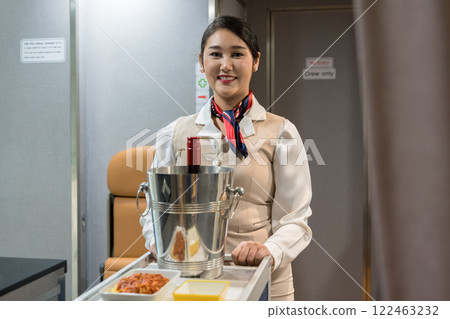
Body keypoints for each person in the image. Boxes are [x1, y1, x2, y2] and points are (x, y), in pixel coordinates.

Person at [140, 15, 312, 301]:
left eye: (237, 54)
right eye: (216, 54)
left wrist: (269, 250)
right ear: (201, 61)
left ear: (256, 61)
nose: (226, 65)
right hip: (191, 281)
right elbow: (153, 210)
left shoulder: (282, 132)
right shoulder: (173, 133)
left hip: (263, 280)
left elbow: (296, 218)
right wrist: (159, 242)